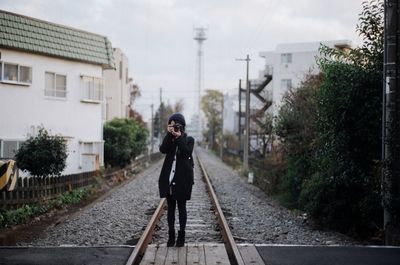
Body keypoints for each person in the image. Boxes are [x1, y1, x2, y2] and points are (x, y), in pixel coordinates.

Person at [158, 113, 194, 247]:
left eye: (176, 125)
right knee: (171, 208)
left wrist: (179, 137)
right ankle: (171, 236)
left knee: (182, 207)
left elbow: (186, 152)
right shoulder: (169, 139)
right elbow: (163, 149)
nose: (174, 127)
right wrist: (169, 135)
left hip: (182, 180)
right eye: (171, 125)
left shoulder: (189, 139)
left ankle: (181, 236)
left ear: (182, 126)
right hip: (169, 179)